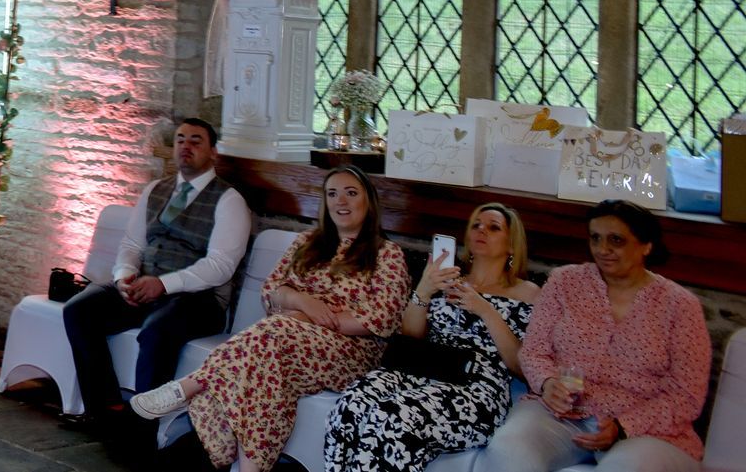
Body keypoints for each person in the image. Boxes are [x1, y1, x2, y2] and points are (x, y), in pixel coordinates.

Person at [130, 165, 410, 472]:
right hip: (287, 342)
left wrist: (310, 317)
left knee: (273, 334)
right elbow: (271, 290)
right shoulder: (307, 242)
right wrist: (300, 299)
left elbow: (380, 318)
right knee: (266, 369)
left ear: (369, 202)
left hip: (349, 351)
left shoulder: (387, 254)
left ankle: (188, 387)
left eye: (351, 193)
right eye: (332, 193)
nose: (340, 201)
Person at [476, 200, 710, 472]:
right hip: (560, 413)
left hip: (645, 429)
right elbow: (534, 351)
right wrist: (547, 383)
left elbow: (686, 395)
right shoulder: (564, 282)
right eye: (595, 238)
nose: (603, 249)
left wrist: (624, 426)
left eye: (616, 240)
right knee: (509, 451)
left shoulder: (680, 306)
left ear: (647, 245)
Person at [325, 203, 542, 471]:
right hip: (424, 368)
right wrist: (424, 291)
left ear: (512, 245)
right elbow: (411, 336)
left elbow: (523, 367)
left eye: (493, 227)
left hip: (477, 386)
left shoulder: (528, 293)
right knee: (351, 403)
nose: (481, 230)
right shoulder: (447, 278)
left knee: (394, 417)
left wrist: (486, 310)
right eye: (476, 224)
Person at [63, 117, 251, 416]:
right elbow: (132, 245)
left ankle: (143, 426)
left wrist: (164, 284)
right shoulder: (156, 189)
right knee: (79, 310)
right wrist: (124, 275)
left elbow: (220, 266)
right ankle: (104, 407)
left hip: (198, 301)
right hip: (146, 287)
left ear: (213, 152)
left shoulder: (229, 201)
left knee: (156, 332)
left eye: (195, 141)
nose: (185, 146)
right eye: (180, 140)